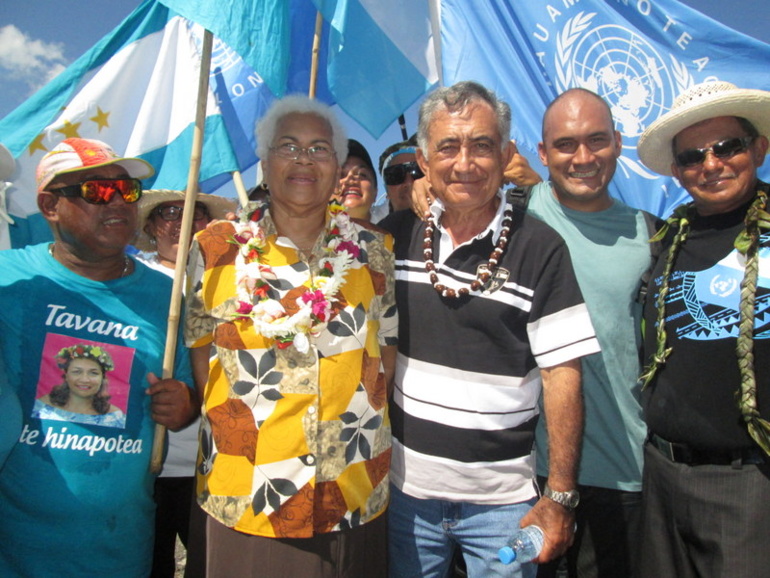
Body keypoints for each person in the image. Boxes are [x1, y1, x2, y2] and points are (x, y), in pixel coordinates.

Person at [380, 81, 600, 578]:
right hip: (405, 498)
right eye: (448, 147)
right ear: (424, 158)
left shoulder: (540, 248)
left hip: (504, 509)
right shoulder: (394, 239)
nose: (465, 163)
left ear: (505, 154)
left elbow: (563, 377)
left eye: (481, 145)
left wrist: (560, 498)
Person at [184, 95, 397, 578]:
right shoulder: (214, 246)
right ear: (264, 161)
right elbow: (202, 353)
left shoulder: (374, 252)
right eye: (288, 146)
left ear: (339, 166)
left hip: (351, 486)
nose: (304, 159)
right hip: (246, 496)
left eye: (320, 148)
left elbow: (387, 352)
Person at [0, 137, 197, 577]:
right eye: (97, 192)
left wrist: (185, 404)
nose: (120, 203)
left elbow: (188, 398)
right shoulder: (8, 281)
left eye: (128, 191)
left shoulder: (166, 298)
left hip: (122, 551)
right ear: (50, 206)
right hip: (15, 552)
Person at [636, 81, 770, 578]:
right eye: (693, 156)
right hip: (662, 478)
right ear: (677, 171)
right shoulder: (666, 237)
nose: (711, 164)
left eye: (727, 147)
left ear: (758, 148)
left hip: (750, 486)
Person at [530, 88, 657, 578]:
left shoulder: (653, 236)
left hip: (624, 480)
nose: (583, 158)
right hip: (529, 479)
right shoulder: (515, 215)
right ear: (543, 154)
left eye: (597, 140)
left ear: (618, 143)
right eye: (565, 144)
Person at [135, 189, 235, 578]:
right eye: (170, 213)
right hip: (147, 472)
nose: (181, 221)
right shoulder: (135, 283)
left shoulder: (237, 279)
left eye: (194, 213)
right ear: (150, 226)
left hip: (215, 465)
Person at [33, 343, 126, 427]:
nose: (84, 379)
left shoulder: (114, 417)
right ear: (66, 376)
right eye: (77, 372)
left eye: (93, 373)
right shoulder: (42, 406)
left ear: (103, 378)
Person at [375, 134, 423, 222]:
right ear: (387, 192)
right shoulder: (373, 230)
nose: (409, 182)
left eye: (417, 171)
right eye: (395, 174)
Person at [336, 138, 379, 220]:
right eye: (340, 175)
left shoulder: (394, 226)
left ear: (375, 193)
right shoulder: (308, 230)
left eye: (361, 174)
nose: (350, 180)